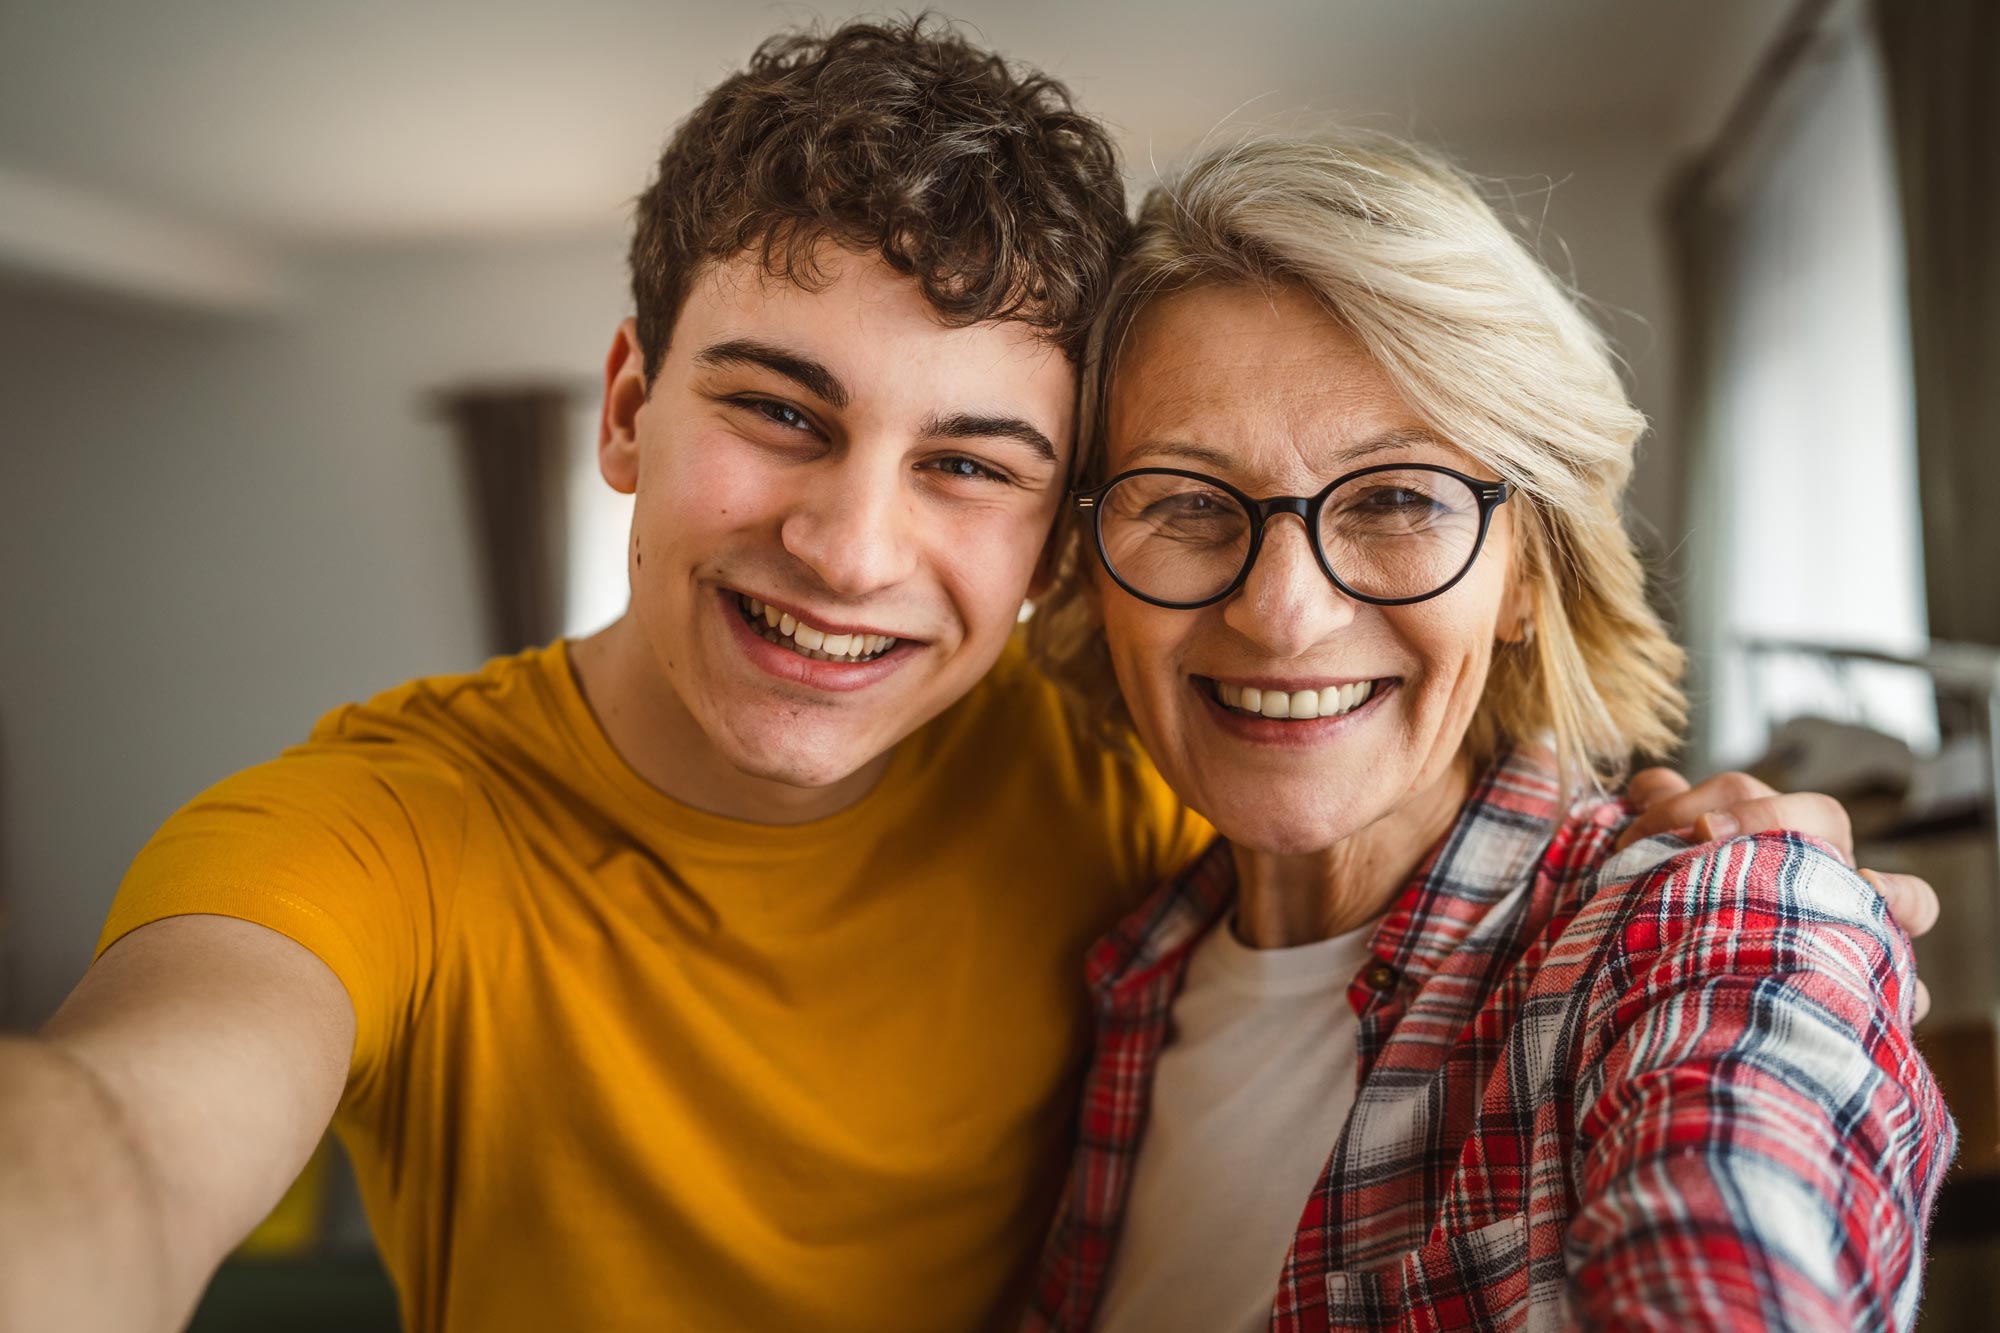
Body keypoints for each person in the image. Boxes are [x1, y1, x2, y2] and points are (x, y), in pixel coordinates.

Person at [0, 19, 1934, 1333]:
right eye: (778, 410)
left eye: (972, 462)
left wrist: (1756, 879)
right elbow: (129, 1127)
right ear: (623, 407)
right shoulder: (384, 825)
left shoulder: (1168, 790)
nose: (849, 550)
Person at [1023, 129, 1952, 1333]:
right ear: (1091, 574)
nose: (1281, 614)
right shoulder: (1116, 976)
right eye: (1189, 503)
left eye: (1397, 498)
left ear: (1525, 575)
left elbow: (1733, 1245)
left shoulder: (1712, 920)